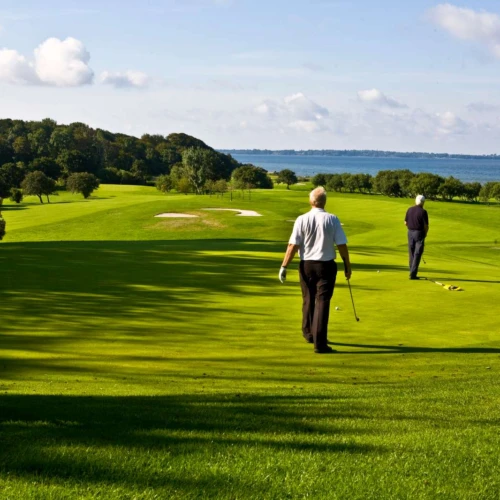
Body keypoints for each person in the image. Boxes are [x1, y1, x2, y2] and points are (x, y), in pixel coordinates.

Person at [279, 187, 352, 354]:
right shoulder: (332, 219)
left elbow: (293, 245)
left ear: (311, 201)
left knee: (308, 299)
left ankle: (308, 333)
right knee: (322, 302)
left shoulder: (301, 219)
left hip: (306, 265)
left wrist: (284, 266)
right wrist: (347, 265)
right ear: (324, 202)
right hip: (326, 266)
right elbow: (341, 245)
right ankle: (319, 342)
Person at [405, 194, 429, 280]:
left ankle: (411, 271)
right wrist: (425, 234)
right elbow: (426, 226)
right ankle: (413, 274)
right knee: (417, 253)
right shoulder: (423, 212)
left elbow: (405, 223)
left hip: (410, 232)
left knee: (411, 252)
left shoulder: (409, 209)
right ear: (423, 202)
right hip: (419, 233)